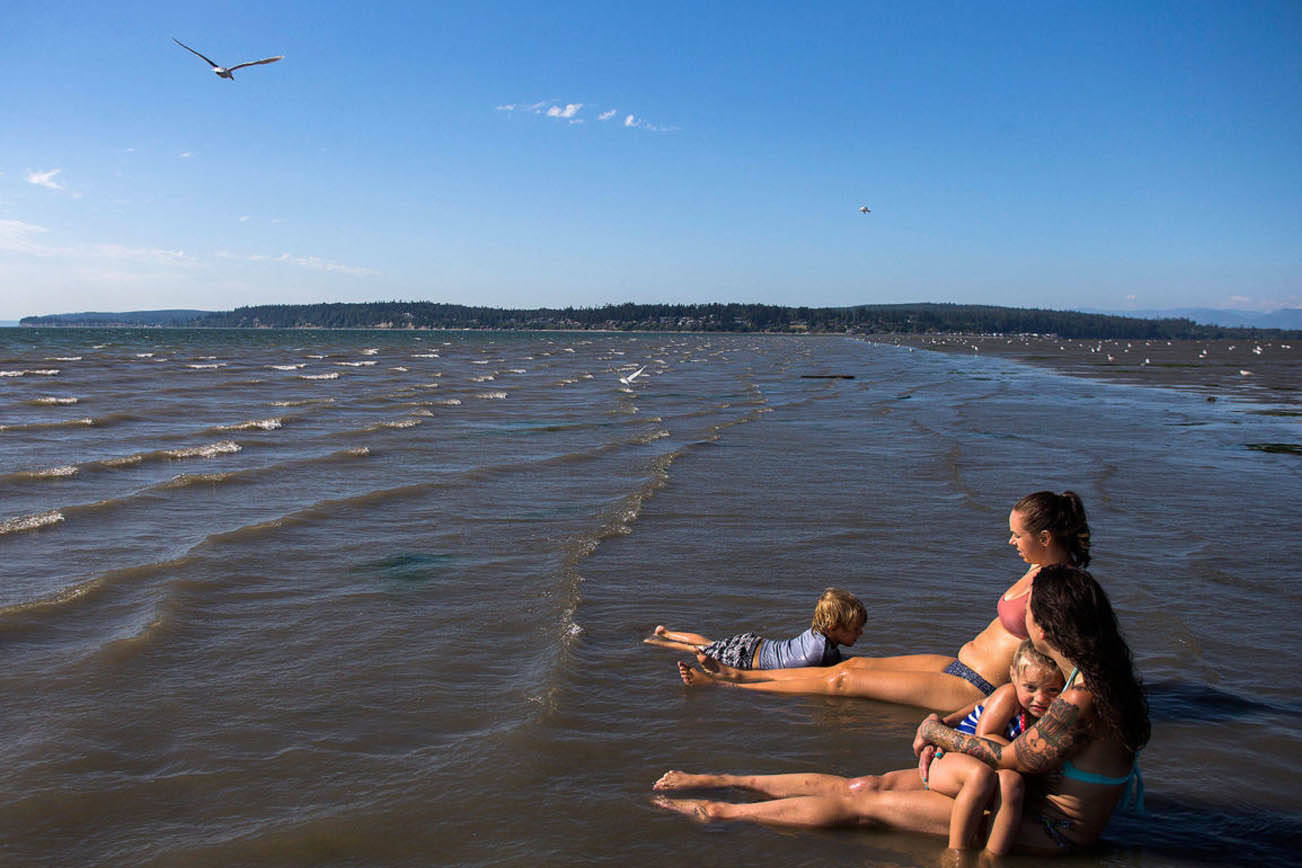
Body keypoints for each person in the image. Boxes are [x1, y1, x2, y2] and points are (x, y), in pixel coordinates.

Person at [652, 564, 1150, 857]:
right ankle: (721, 780)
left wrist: (939, 732)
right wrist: (956, 727)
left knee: (862, 805)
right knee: (865, 784)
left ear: (1046, 625)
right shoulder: (1099, 673)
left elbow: (1017, 760)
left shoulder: (1084, 692)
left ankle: (720, 811)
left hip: (1048, 828)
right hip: (1025, 800)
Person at [676, 491, 1090, 712]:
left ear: (1046, 538)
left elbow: (1075, 658)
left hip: (974, 686)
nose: (1012, 542)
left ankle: (735, 680)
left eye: (1018, 535)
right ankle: (738, 675)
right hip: (959, 663)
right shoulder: (1039, 570)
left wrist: (1068, 710)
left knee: (843, 681)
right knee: (851, 665)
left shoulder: (1063, 589)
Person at [922, 639, 1065, 854]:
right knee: (980, 775)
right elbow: (985, 736)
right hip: (948, 759)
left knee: (1012, 781)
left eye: (1052, 690)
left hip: (983, 767)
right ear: (1014, 676)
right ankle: (955, 853)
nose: (1041, 698)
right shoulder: (1008, 696)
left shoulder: (1047, 712)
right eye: (1031, 688)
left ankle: (992, 857)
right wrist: (1028, 761)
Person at [644, 588, 866, 670]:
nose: (860, 633)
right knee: (700, 649)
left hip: (755, 643)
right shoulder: (817, 654)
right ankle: (657, 641)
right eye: (855, 629)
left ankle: (665, 633)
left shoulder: (817, 633)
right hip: (746, 658)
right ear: (833, 627)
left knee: (708, 644)